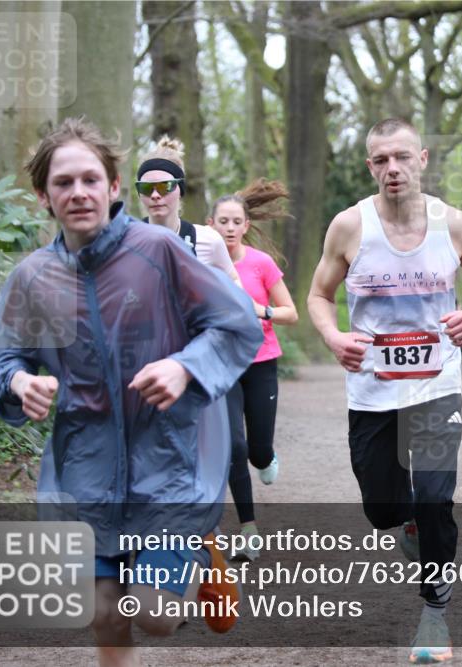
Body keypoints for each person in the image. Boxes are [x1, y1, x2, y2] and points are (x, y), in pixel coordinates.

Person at [0, 117, 263, 666]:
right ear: (44, 194)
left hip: (168, 466)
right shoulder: (32, 278)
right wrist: (20, 381)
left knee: (155, 616)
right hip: (84, 471)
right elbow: (2, 360)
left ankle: (203, 551)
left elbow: (237, 325)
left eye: (91, 179)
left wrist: (185, 367)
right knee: (105, 616)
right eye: (64, 183)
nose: (79, 192)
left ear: (114, 187)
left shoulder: (157, 251)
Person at [308, 118, 462, 664]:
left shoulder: (455, 225)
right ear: (369, 166)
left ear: (421, 158)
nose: (391, 168)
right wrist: (332, 335)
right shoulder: (349, 227)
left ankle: (435, 615)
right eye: (380, 160)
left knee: (437, 497)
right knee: (381, 508)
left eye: (401, 157)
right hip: (372, 391)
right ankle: (408, 524)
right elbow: (319, 295)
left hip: (437, 384)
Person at [208, 180, 299, 561]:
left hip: (261, 362)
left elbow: (290, 314)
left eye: (236, 222)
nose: (229, 228)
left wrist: (258, 310)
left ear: (246, 225)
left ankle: (265, 458)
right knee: (233, 446)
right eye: (223, 221)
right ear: (211, 225)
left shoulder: (260, 264)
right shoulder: (201, 264)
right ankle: (249, 530)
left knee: (257, 450)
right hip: (222, 365)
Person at [136, 136, 241, 285]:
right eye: (146, 188)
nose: (155, 195)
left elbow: (234, 283)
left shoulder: (208, 240)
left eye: (165, 186)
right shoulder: (126, 241)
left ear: (181, 189)